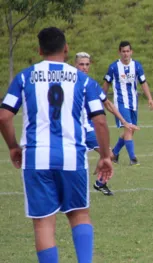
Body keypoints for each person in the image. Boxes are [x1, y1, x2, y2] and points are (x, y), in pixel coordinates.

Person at [0, 27, 113, 263]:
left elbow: (4, 116)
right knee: (79, 214)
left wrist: (12, 146)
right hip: (72, 157)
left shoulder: (24, 77)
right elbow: (100, 121)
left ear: (40, 50)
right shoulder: (83, 80)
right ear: (66, 48)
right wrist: (104, 156)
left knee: (43, 225)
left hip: (36, 159)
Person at [75, 52, 139, 195]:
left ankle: (100, 183)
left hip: (88, 129)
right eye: (81, 64)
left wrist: (125, 122)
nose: (84, 67)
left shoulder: (91, 84)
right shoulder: (68, 83)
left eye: (87, 64)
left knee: (109, 155)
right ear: (75, 65)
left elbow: (108, 104)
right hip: (72, 129)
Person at [102, 41, 153, 166]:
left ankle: (114, 153)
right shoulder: (114, 67)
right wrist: (101, 99)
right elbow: (106, 84)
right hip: (120, 103)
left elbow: (143, 82)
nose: (125, 54)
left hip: (133, 103)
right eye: (123, 51)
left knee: (130, 130)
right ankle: (133, 158)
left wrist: (150, 98)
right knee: (128, 128)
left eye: (127, 51)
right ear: (119, 52)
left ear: (131, 52)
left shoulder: (137, 66)